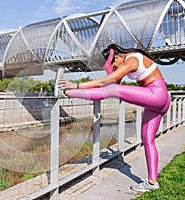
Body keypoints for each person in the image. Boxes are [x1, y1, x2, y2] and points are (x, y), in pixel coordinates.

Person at [58, 43, 170, 192]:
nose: (116, 67)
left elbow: (110, 83)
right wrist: (109, 67)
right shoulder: (127, 60)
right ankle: (152, 182)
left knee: (113, 89)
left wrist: (76, 86)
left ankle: (68, 93)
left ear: (117, 56)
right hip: (159, 100)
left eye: (115, 64)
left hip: (156, 94)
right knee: (147, 139)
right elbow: (110, 82)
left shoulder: (132, 59)